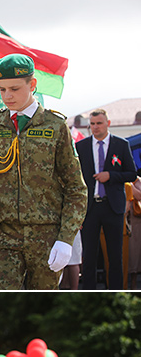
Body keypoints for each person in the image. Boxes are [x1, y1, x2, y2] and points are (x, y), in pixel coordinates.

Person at [0, 53, 87, 290]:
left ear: (32, 85)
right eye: (2, 90)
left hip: (45, 236)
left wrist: (66, 239)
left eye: (14, 88)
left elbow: (76, 188)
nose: (7, 96)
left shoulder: (55, 126)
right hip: (3, 235)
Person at [77, 108, 137, 290]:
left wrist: (110, 175)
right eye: (92, 124)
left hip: (113, 207)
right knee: (89, 258)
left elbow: (132, 173)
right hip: (90, 207)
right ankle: (88, 294)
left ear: (108, 123)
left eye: (99, 123)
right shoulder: (82, 146)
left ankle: (116, 292)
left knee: (115, 257)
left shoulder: (121, 144)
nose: (95, 127)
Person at [126, 175, 141, 287]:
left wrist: (130, 185)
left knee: (135, 253)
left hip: (135, 222)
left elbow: (139, 196)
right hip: (121, 220)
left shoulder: (137, 181)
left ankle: (134, 283)